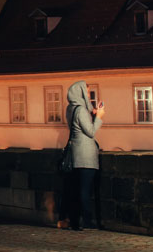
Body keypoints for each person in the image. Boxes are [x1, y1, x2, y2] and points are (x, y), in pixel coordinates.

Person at [65, 80, 104, 231]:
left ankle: (75, 221)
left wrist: (92, 114)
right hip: (85, 155)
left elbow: (79, 127)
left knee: (77, 189)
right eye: (86, 92)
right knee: (85, 190)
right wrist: (99, 117)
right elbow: (90, 132)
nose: (88, 96)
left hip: (76, 153)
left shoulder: (70, 108)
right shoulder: (81, 110)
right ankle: (86, 221)